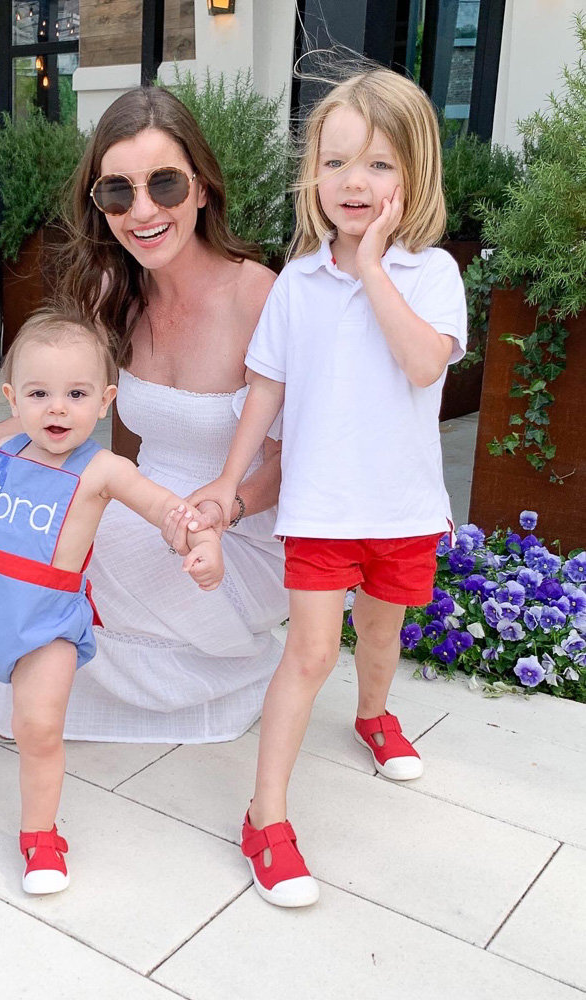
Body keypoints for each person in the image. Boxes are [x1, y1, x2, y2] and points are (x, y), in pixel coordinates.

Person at [0, 87, 289, 743]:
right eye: (116, 192)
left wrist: (225, 508)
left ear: (201, 188)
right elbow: (58, 404)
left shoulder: (260, 296)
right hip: (146, 504)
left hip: (237, 532)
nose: (141, 211)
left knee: (39, 528)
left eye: (164, 184)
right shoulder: (115, 290)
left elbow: (289, 454)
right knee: (6, 507)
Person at [197, 67, 468, 907]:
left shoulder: (431, 276)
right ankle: (265, 816)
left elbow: (426, 362)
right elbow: (266, 391)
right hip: (319, 509)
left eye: (380, 165)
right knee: (311, 653)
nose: (355, 181)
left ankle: (376, 716)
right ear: (313, 173)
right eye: (337, 161)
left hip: (403, 509)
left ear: (414, 175)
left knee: (380, 639)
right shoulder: (297, 284)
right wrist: (228, 478)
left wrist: (375, 268)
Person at [0, 312, 223, 894]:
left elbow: (167, 508)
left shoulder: (104, 469)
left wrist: (202, 539)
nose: (57, 408)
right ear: (12, 398)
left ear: (106, 401)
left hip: (46, 628)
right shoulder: (7, 453)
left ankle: (40, 832)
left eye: (76, 394)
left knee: (37, 729)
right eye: (39, 394)